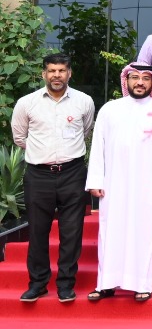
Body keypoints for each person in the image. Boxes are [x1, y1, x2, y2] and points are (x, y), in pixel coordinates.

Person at [85, 63, 152, 303]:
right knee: (110, 231)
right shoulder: (110, 109)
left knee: (145, 232)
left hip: (149, 186)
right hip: (114, 182)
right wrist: (95, 179)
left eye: (145, 78)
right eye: (135, 77)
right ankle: (106, 283)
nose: (139, 82)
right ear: (126, 81)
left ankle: (142, 284)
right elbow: (98, 147)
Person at [13, 53, 95, 303]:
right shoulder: (27, 103)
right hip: (38, 175)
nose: (56, 75)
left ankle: (66, 285)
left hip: (73, 172)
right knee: (38, 231)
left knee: (72, 232)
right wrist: (43, 155)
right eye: (51, 71)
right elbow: (19, 137)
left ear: (69, 73)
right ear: (43, 74)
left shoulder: (84, 101)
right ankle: (37, 283)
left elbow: (86, 130)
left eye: (61, 71)